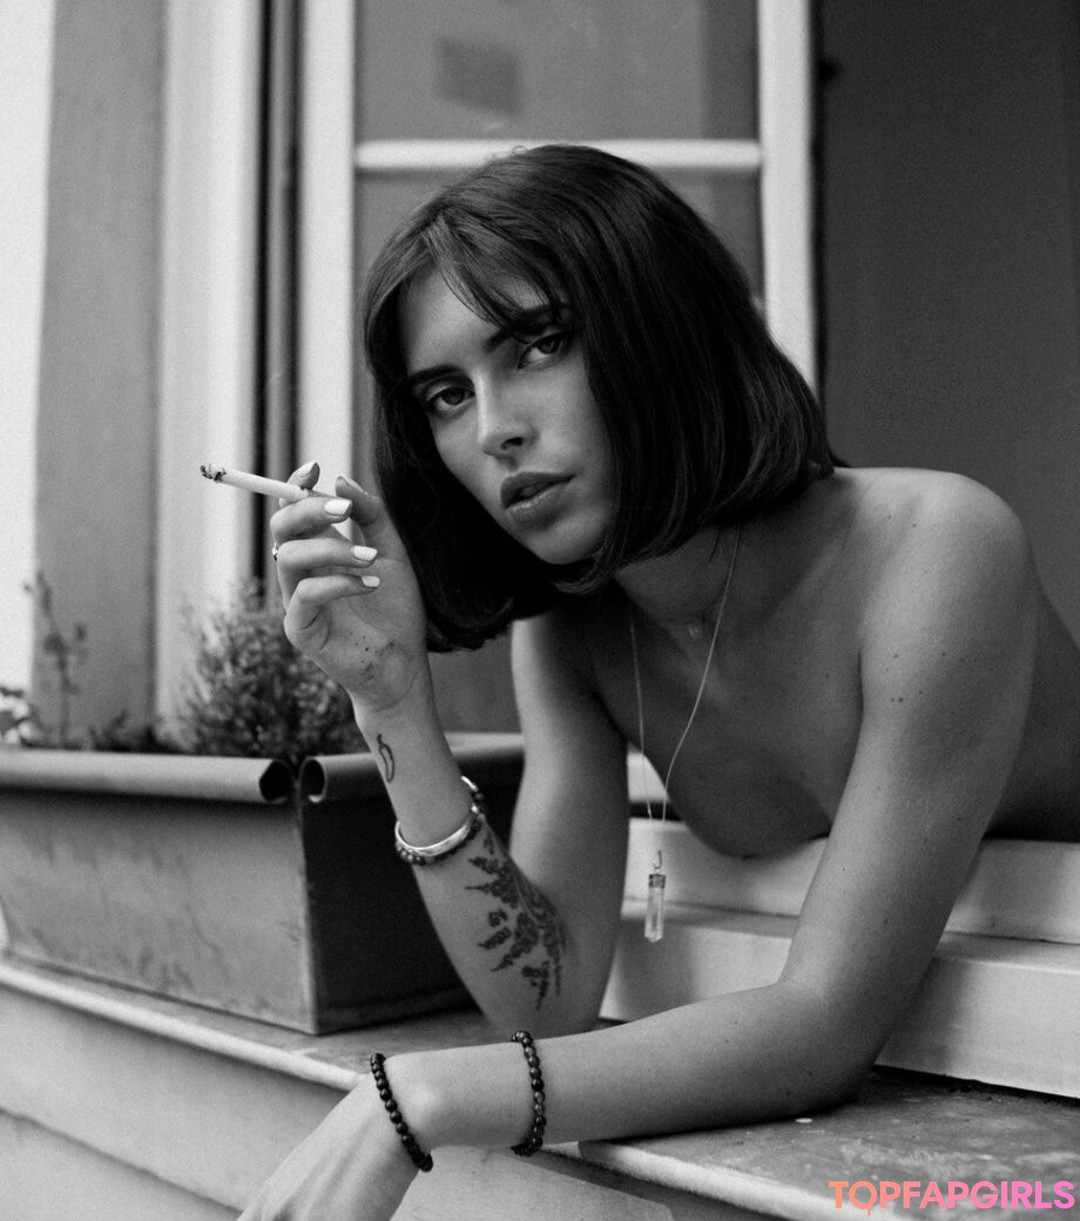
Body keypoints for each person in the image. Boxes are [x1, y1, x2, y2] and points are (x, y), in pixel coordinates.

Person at [242, 144, 1080, 1219]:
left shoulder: (939, 549)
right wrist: (393, 701)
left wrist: (418, 1099)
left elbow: (823, 1026)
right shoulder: (578, 634)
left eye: (539, 343)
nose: (494, 427)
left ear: (661, 321)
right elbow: (547, 997)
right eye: (446, 394)